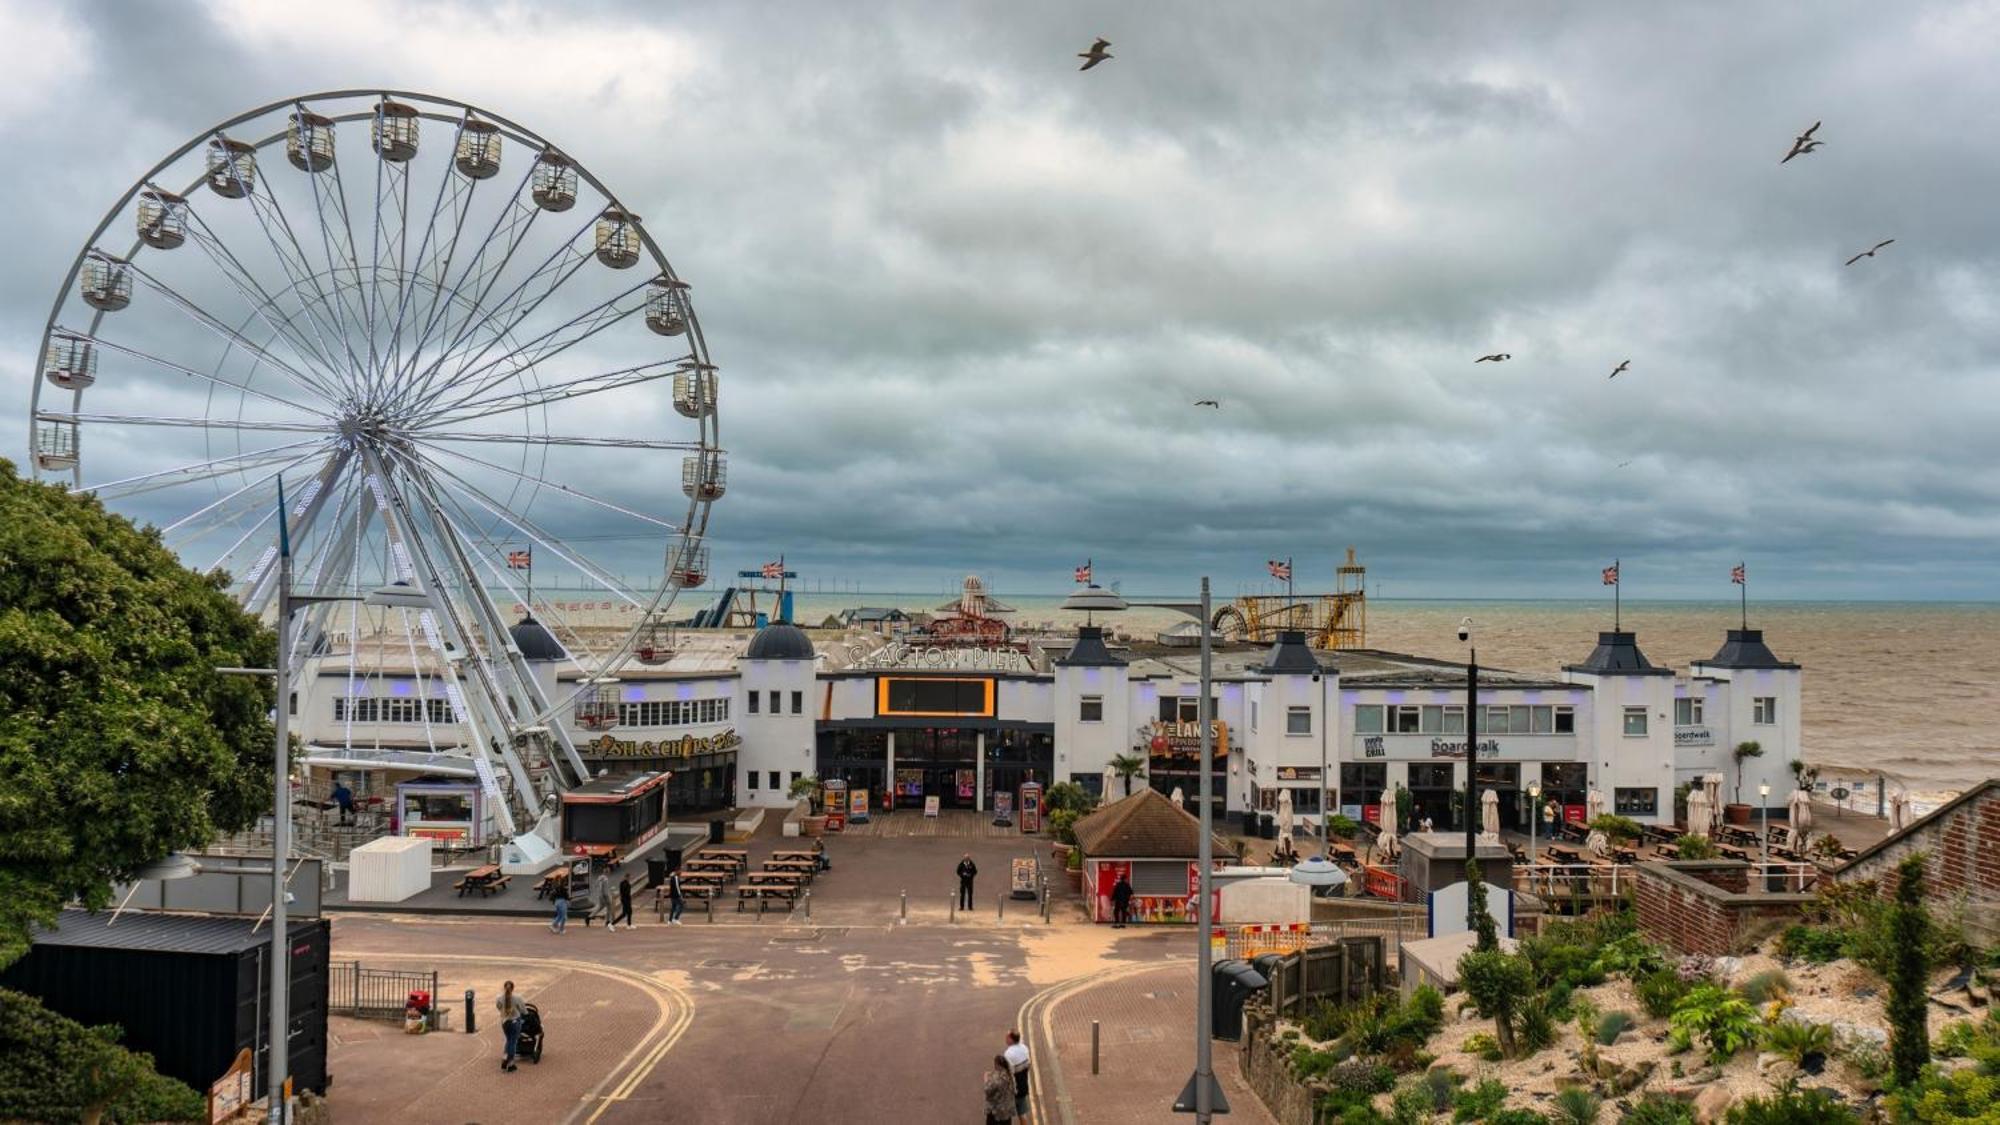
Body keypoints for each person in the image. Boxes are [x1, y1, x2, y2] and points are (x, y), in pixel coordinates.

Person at [495, 980, 527, 1071]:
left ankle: (505, 1056)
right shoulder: (518, 998)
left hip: (504, 1022)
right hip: (515, 1021)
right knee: (513, 1041)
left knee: (508, 1039)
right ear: (513, 988)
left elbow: (499, 1007)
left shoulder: (498, 998)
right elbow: (524, 1010)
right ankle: (511, 1063)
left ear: (504, 987)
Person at [1004, 1030, 1031, 1122]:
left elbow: (1009, 1073)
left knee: (1006, 1115)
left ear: (1011, 1040)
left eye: (1007, 1037)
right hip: (1023, 1086)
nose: (1005, 1038)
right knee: (1022, 1113)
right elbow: (1028, 1064)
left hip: (1013, 1090)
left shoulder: (1008, 1054)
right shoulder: (1024, 1048)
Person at [982, 1053, 1015, 1125]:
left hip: (996, 1111)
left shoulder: (997, 1080)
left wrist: (986, 1078)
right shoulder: (1010, 1075)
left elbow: (987, 1090)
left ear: (997, 1065)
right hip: (1007, 1110)